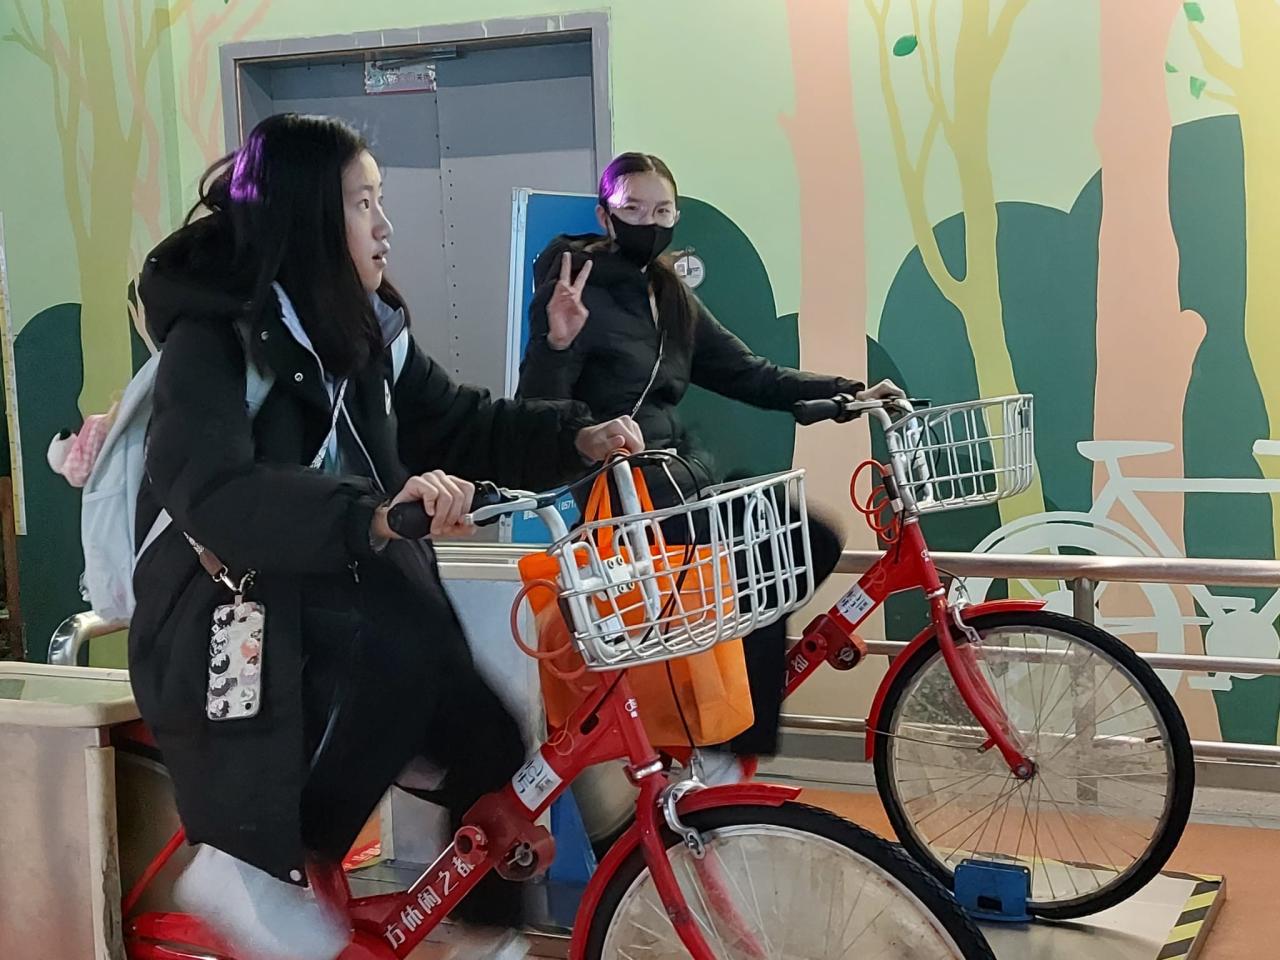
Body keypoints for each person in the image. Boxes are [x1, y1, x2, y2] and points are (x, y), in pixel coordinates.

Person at [130, 113, 642, 960]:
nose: (384, 225)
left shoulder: (365, 328)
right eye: (361, 202)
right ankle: (250, 870)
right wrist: (365, 513)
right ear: (305, 214)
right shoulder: (213, 338)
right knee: (397, 656)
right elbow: (213, 491)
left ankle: (487, 938)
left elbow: (456, 421)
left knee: (489, 732)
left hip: (339, 598)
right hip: (224, 618)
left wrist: (574, 435)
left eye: (380, 200)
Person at [517, 151, 902, 782]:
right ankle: (717, 749)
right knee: (760, 560)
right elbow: (536, 412)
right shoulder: (572, 290)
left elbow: (750, 373)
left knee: (803, 539)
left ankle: (721, 732)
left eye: (662, 210)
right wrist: (555, 342)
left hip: (681, 482)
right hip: (622, 500)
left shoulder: (669, 296)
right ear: (605, 215)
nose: (649, 222)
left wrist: (846, 394)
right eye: (633, 208)